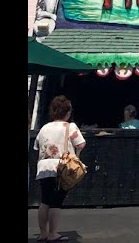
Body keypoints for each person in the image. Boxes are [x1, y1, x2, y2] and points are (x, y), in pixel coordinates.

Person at [35, 95, 86, 242]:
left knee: (45, 200)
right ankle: (53, 233)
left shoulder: (44, 127)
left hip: (44, 166)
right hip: (61, 167)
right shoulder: (70, 127)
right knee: (56, 201)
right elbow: (81, 144)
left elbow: (37, 145)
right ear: (68, 112)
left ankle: (43, 233)